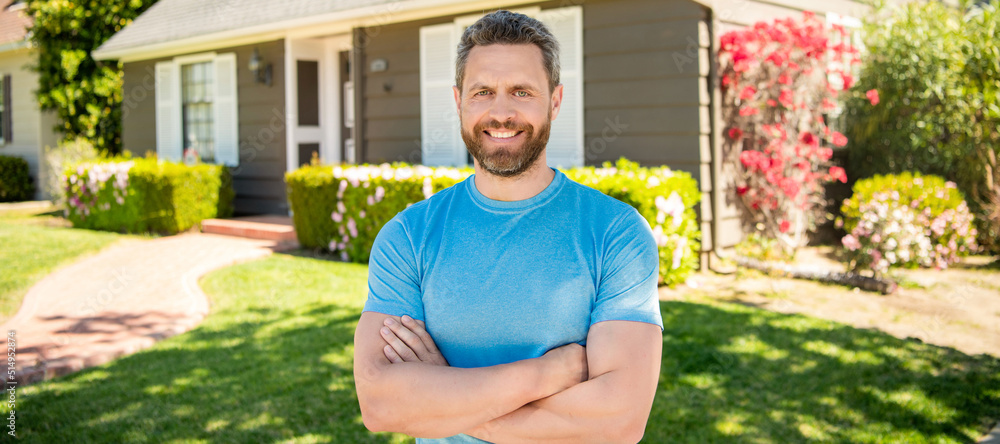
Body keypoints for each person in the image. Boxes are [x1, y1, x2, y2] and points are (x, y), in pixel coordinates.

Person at [353, 10, 663, 443]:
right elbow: (381, 404)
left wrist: (445, 395)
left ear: (554, 101)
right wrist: (545, 374)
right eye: (483, 92)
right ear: (459, 100)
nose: (501, 112)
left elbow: (619, 421)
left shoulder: (616, 234)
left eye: (521, 91)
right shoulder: (408, 237)